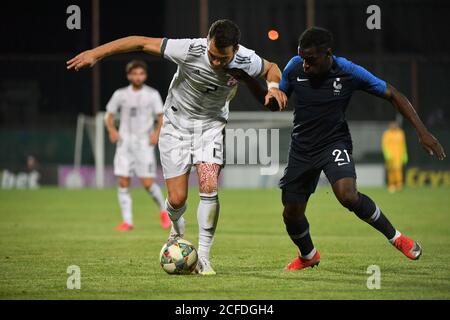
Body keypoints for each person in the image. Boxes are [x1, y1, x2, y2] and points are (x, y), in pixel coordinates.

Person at [67, 19, 288, 275]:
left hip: (211, 127)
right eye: (213, 55)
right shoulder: (189, 49)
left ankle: (204, 257)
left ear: (235, 50)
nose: (216, 63)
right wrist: (96, 53)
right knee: (177, 199)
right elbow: (140, 41)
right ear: (207, 41)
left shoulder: (246, 59)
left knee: (208, 185)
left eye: (223, 59)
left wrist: (273, 88)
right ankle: (176, 229)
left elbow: (272, 68)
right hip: (176, 126)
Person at [278, 27, 446, 271]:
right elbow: (279, 99)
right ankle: (308, 255)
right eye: (302, 58)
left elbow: (393, 94)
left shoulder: (348, 71)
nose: (305, 65)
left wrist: (422, 132)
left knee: (347, 195)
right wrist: (268, 90)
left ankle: (397, 238)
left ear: (328, 54)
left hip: (333, 142)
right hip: (301, 148)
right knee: (291, 213)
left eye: (311, 60)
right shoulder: (293, 67)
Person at [104, 60, 170, 231]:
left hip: (143, 143)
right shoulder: (120, 94)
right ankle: (128, 221)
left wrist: (156, 134)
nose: (138, 77)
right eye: (134, 74)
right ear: (129, 76)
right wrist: (112, 130)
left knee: (148, 183)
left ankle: (164, 212)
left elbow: (161, 117)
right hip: (124, 142)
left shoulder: (152, 94)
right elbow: (109, 115)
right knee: (123, 181)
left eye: (141, 74)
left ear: (145, 76)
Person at [382, 121, 408, 193]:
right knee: (391, 170)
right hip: (390, 156)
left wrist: (405, 154)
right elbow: (385, 145)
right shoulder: (387, 134)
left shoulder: (401, 133)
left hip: (399, 156)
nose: (393, 125)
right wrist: (387, 154)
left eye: (394, 124)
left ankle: (399, 184)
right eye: (392, 124)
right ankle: (391, 185)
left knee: (398, 170)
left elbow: (403, 145)